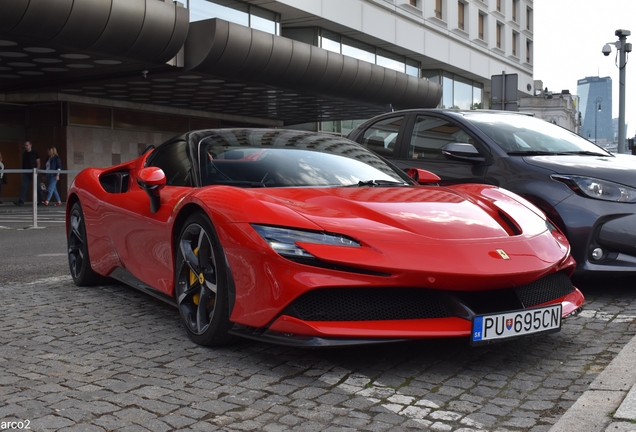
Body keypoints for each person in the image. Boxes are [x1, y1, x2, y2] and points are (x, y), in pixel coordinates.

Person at [15, 141, 40, 206]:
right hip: (26, 172)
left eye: (27, 145)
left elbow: (38, 162)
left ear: (30, 145)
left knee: (37, 186)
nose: (26, 147)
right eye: (25, 145)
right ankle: (21, 201)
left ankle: (41, 200)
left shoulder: (35, 153)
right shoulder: (24, 153)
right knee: (24, 186)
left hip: (33, 172)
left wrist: (37, 169)